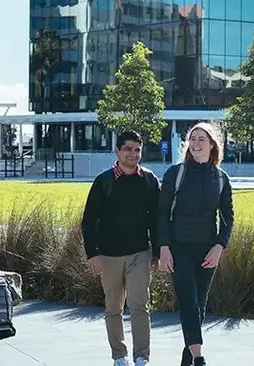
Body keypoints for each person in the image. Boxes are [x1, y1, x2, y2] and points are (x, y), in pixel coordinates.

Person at [157, 122, 234, 366]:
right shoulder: (175, 174)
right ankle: (199, 358)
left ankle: (187, 357)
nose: (196, 143)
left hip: (207, 250)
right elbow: (161, 214)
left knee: (199, 305)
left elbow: (228, 218)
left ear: (212, 146)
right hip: (179, 247)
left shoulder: (221, 179)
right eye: (193, 139)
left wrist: (219, 246)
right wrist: (164, 248)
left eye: (202, 139)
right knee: (188, 300)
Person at [81, 130, 161, 366]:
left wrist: (156, 252)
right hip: (108, 256)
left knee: (139, 304)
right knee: (113, 308)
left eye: (137, 150)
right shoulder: (103, 182)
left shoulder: (149, 180)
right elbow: (89, 220)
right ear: (117, 151)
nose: (133, 154)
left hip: (140, 253)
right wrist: (92, 254)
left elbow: (155, 220)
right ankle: (119, 356)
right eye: (128, 149)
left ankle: (141, 357)